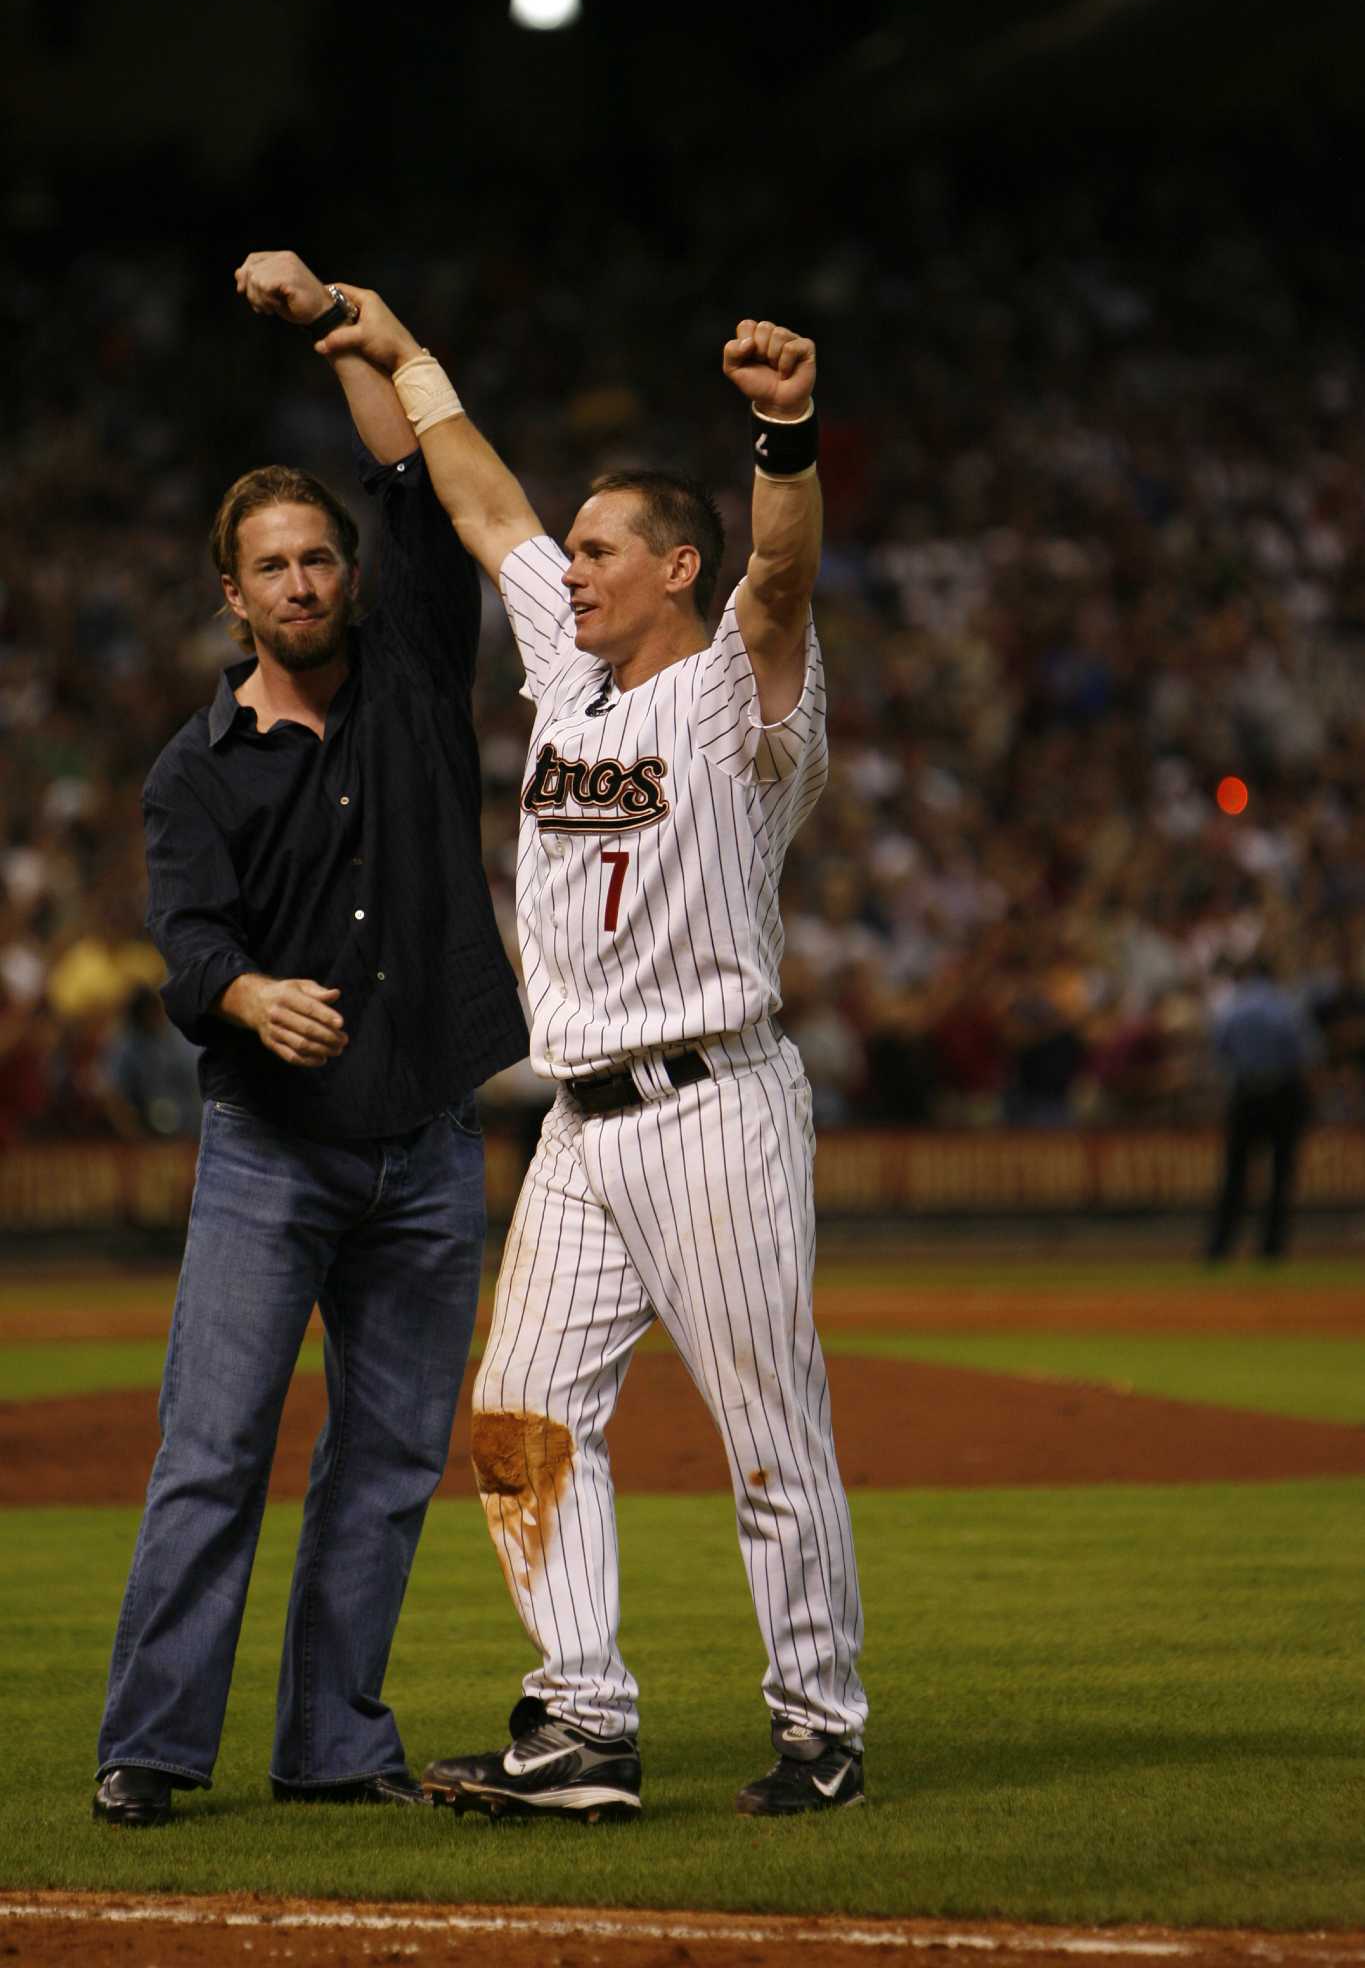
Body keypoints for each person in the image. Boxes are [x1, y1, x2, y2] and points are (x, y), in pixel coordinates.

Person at [317, 284, 868, 1818]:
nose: (569, 566)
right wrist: (405, 351)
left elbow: (784, 570)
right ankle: (581, 1722)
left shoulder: (736, 690)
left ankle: (819, 1726)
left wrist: (783, 428)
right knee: (516, 1420)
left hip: (714, 1101)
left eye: (602, 547)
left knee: (767, 1432)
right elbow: (483, 499)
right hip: (580, 1119)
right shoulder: (568, 665)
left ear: (673, 569)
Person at [92, 253, 527, 1827]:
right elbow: (187, 942)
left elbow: (412, 477)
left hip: (423, 1136)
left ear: (349, 575)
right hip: (268, 1147)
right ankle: (150, 1748)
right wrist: (241, 996)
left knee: (391, 1464)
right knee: (212, 1454)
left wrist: (346, 323)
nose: (301, 582)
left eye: (318, 558)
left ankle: (333, 1743)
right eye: (269, 565)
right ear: (233, 593)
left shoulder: (417, 675)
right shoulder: (192, 772)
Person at [1206, 956, 1314, 1262]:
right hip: (1282, 1093)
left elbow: (1219, 1053)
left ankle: (1220, 1247)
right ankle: (1271, 1248)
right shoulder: (1286, 1006)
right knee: (1281, 1176)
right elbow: (1304, 1055)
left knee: (1235, 1175)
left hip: (1245, 1094)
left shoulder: (1234, 1008)